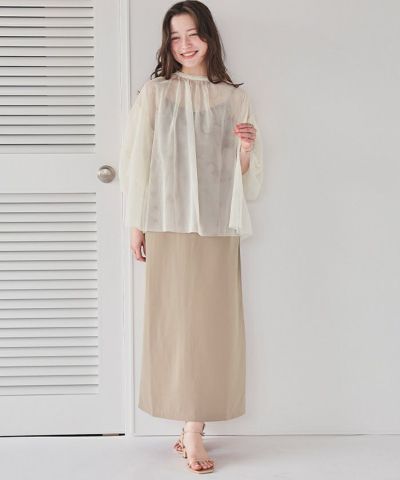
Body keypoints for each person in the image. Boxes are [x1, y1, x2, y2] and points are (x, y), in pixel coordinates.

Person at [119, 0, 263, 474]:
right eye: (175, 37)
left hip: (217, 226)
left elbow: (241, 177)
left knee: (212, 325)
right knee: (174, 324)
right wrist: (136, 224)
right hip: (167, 223)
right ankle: (187, 427)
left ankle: (193, 429)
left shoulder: (233, 98)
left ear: (208, 37)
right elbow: (138, 161)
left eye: (193, 34)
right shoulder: (156, 93)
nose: (185, 45)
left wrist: (246, 149)